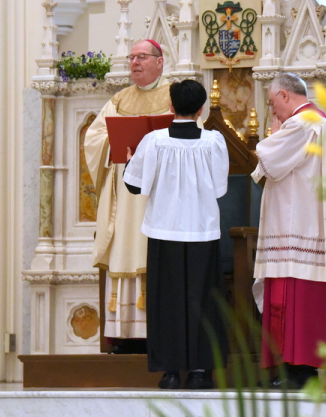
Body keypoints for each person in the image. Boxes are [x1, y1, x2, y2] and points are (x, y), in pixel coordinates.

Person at [123, 79, 230, 390]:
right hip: (201, 230)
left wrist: (130, 161)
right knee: (202, 300)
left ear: (170, 106)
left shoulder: (154, 141)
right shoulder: (213, 142)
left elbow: (134, 185)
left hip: (164, 229)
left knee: (165, 300)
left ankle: (170, 372)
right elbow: (220, 189)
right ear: (201, 109)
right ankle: (199, 371)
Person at [251, 72, 326, 389]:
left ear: (284, 95)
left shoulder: (299, 124)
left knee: (295, 298)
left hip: (295, 229)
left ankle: (298, 373)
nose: (273, 112)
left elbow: (267, 158)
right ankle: (303, 372)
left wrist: (271, 135)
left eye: (272, 104)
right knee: (312, 302)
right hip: (317, 229)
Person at [84, 39, 171, 353]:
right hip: (125, 191)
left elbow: (190, 132)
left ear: (160, 62)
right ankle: (124, 335)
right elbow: (94, 138)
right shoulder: (119, 99)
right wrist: (116, 143)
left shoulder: (175, 96)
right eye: (132, 57)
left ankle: (158, 332)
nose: (135, 63)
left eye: (142, 57)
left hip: (158, 192)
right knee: (126, 250)